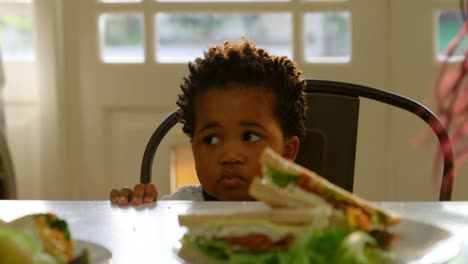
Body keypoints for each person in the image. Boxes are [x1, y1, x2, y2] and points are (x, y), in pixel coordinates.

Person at [110, 37, 308, 205]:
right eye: (211, 139)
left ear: (286, 151)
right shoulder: (179, 209)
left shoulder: (306, 215)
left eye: (249, 136)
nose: (230, 156)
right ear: (194, 148)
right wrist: (139, 217)